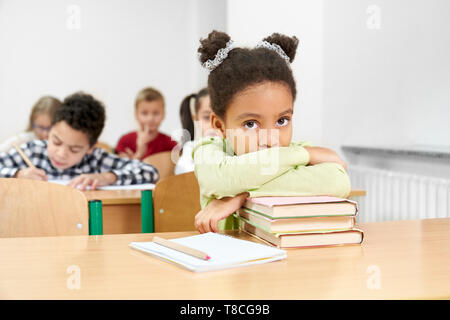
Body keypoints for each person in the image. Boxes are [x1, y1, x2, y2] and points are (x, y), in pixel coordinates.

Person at [193, 30, 351, 233]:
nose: (270, 140)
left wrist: (241, 196)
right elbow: (223, 178)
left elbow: (337, 181)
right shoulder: (209, 150)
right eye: (251, 124)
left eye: (282, 120)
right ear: (220, 126)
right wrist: (306, 154)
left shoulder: (291, 150)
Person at [0, 92, 158, 190]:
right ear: (50, 131)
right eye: (56, 142)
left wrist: (107, 177)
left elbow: (150, 172)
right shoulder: (32, 151)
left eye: (74, 149)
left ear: (90, 147)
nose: (61, 154)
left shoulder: (96, 160)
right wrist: (17, 174)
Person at [115, 87, 177, 160]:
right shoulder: (125, 141)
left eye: (156, 113)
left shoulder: (170, 143)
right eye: (144, 113)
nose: (150, 118)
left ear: (163, 114)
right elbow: (120, 170)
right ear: (136, 115)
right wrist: (139, 154)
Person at [175, 88, 214, 175]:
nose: (213, 124)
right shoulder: (191, 148)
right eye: (207, 117)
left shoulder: (234, 147)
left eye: (220, 117)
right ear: (196, 119)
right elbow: (181, 173)